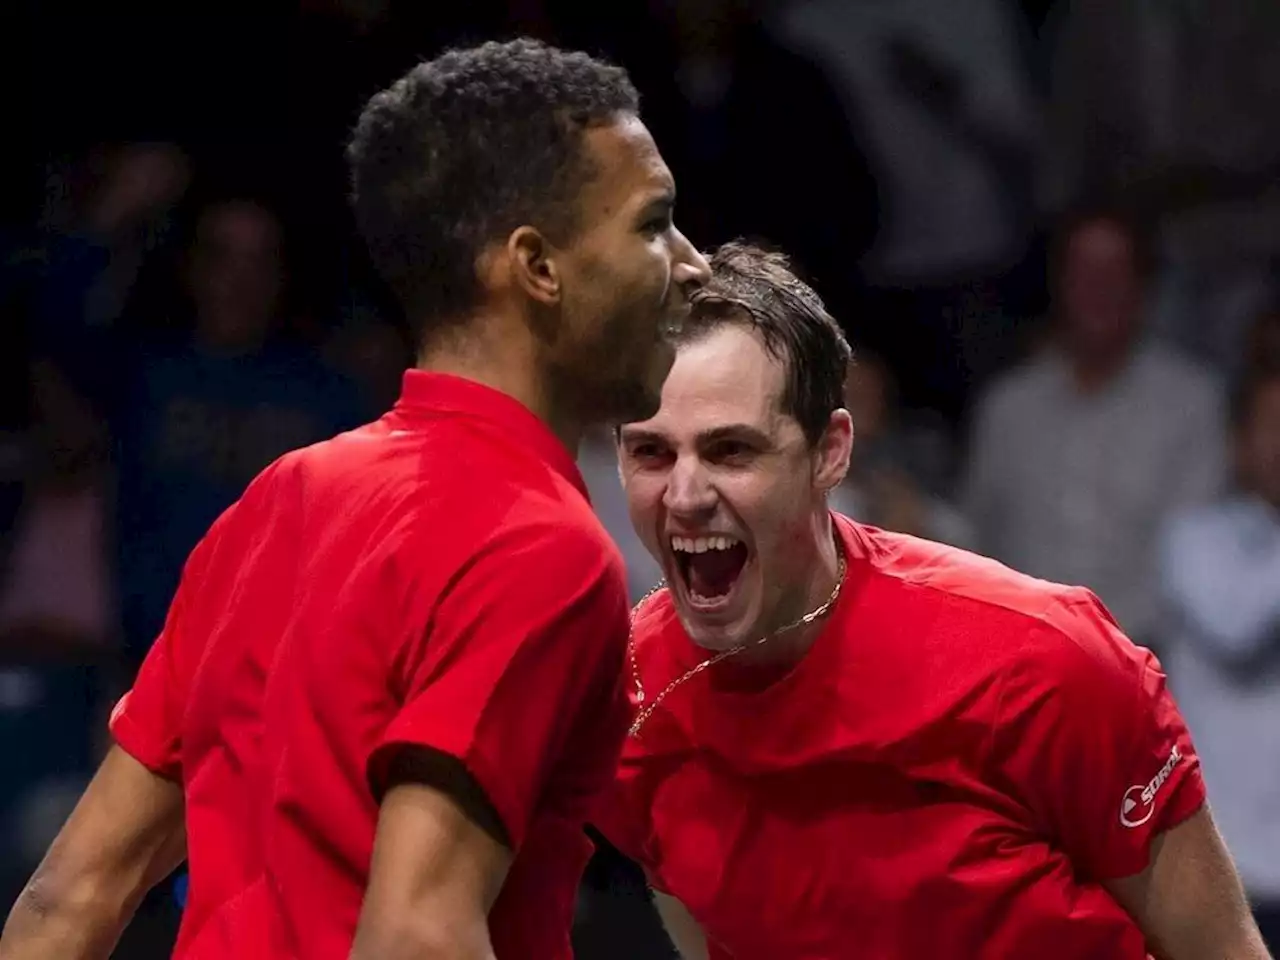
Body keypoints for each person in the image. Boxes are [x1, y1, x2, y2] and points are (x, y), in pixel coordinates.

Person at [0, 37, 708, 960]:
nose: (693, 263)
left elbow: (65, 902)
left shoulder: (283, 497)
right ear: (537, 267)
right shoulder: (545, 548)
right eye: (654, 224)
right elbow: (416, 937)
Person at [597, 240, 1270, 960]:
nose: (687, 496)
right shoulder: (621, 699)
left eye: (732, 451)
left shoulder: (1047, 660)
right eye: (652, 453)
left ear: (830, 452)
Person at [1157, 366, 1280, 953]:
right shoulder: (1195, 537)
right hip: (1229, 866)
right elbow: (1238, 629)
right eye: (1271, 425)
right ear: (1236, 440)